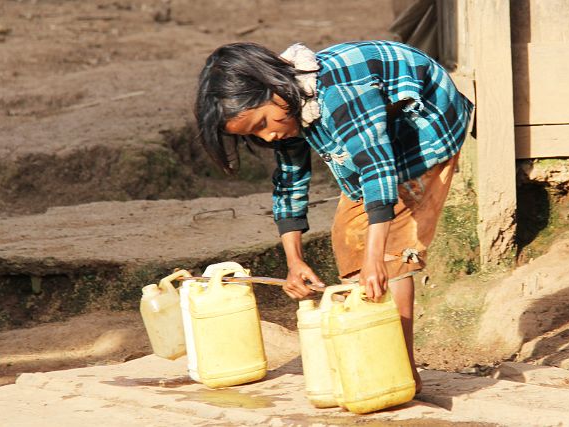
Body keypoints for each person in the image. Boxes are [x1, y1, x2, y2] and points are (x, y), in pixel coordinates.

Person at [194, 40, 474, 392]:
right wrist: (294, 261)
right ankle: (376, 348)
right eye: (254, 133)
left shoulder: (338, 94)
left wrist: (375, 259)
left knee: (389, 255)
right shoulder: (287, 107)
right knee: (348, 237)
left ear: (276, 90)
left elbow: (378, 168)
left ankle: (401, 374)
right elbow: (291, 181)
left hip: (425, 125)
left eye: (264, 122)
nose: (269, 134)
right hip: (375, 138)